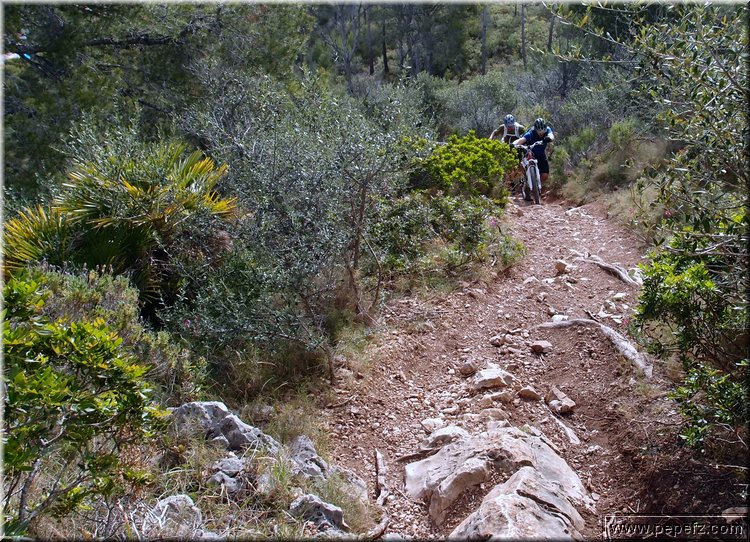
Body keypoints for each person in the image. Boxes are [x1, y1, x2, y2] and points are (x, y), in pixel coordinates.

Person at [512, 117, 554, 201]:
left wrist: (549, 138)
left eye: (543, 132)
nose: (541, 134)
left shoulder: (548, 130)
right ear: (535, 129)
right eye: (539, 132)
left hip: (541, 154)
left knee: (545, 175)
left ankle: (535, 184)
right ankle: (526, 183)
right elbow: (521, 140)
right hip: (530, 152)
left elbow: (551, 136)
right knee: (524, 162)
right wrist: (513, 144)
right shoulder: (530, 133)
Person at [490, 114, 525, 193]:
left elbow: (527, 134)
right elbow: (495, 132)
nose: (510, 128)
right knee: (508, 167)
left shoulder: (519, 128)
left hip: (517, 148)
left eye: (511, 126)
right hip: (507, 148)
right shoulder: (502, 127)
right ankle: (511, 186)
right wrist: (490, 138)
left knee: (520, 164)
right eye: (508, 126)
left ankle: (523, 181)